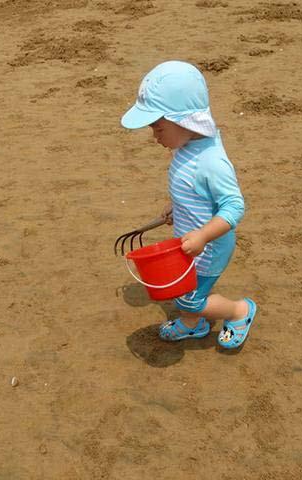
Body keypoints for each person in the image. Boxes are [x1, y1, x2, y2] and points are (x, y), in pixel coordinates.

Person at [120, 60, 257, 349]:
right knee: (187, 288)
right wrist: (177, 208)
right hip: (192, 241)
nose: (154, 137)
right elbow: (194, 189)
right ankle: (193, 326)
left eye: (158, 129)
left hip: (210, 247)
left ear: (183, 121)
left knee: (191, 298)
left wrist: (204, 235)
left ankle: (238, 312)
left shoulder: (211, 161)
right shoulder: (186, 147)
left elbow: (234, 207)